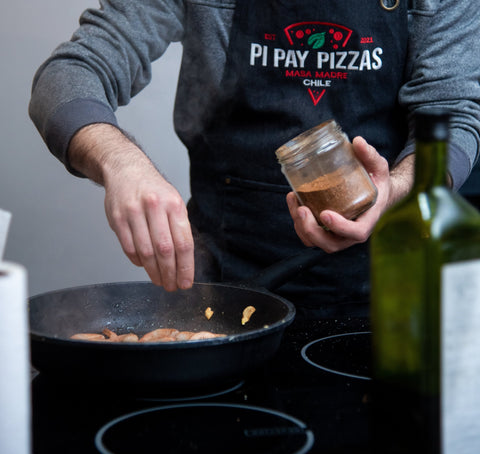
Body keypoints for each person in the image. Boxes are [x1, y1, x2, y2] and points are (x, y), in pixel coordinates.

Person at [29, 0, 480, 321]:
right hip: (224, 294)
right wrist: (122, 164)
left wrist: (397, 188)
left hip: (394, 296)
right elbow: (68, 74)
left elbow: (454, 112)